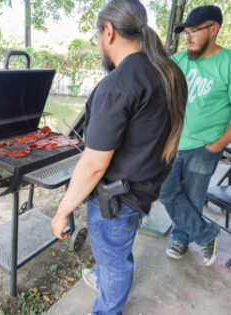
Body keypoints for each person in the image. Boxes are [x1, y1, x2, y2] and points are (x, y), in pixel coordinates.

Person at [51, 0, 187, 314]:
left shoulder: (118, 84)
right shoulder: (166, 71)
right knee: (113, 255)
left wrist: (63, 210)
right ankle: (103, 276)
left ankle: (106, 307)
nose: (98, 44)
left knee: (115, 264)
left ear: (108, 32)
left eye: (96, 36)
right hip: (142, 189)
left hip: (116, 202)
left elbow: (94, 163)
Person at [158, 5, 231, 267]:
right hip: (173, 141)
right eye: (185, 32)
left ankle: (180, 238)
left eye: (194, 31)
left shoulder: (228, 63)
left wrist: (218, 145)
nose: (187, 37)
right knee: (165, 190)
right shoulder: (178, 60)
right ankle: (206, 233)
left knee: (193, 197)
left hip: (205, 146)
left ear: (214, 29)